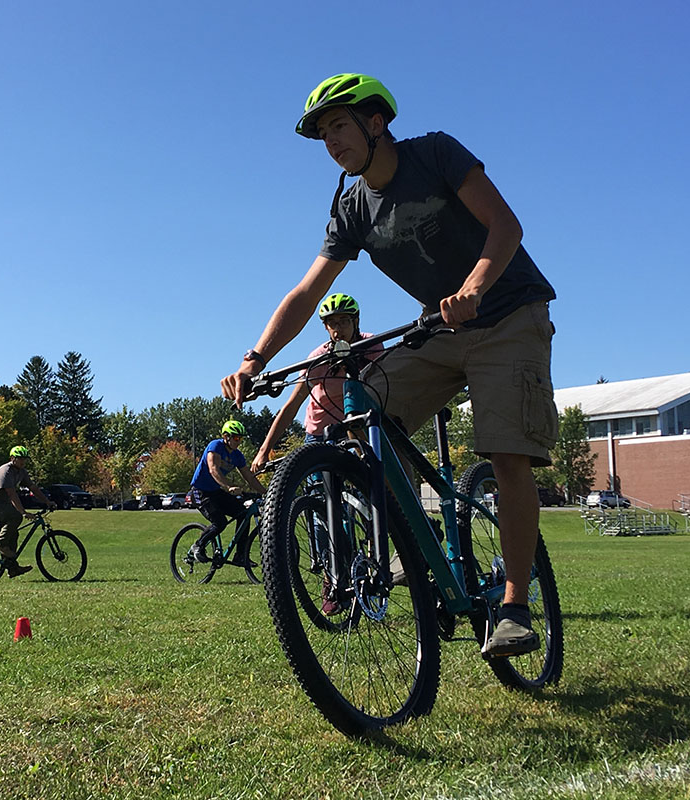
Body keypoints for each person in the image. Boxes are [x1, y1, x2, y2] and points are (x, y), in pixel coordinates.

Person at [221, 73, 558, 658]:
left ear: (375, 123)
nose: (331, 142)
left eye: (339, 126)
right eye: (323, 134)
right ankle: (414, 539)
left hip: (506, 314)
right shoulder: (351, 206)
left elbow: (506, 226)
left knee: (506, 452)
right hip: (441, 329)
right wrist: (254, 360)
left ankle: (513, 606)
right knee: (362, 411)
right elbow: (306, 293)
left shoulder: (434, 154)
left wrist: (475, 288)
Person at [250, 292, 383, 474]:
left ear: (355, 321)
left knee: (372, 475)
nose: (338, 329)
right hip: (321, 431)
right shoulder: (317, 359)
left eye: (344, 321)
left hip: (358, 424)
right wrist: (263, 451)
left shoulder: (372, 346)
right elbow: (291, 406)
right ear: (326, 327)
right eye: (332, 323)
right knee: (320, 488)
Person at [187, 420, 266, 565]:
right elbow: (213, 469)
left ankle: (240, 555)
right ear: (226, 436)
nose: (239, 442)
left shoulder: (237, 455)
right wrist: (229, 486)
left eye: (241, 439)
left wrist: (267, 492)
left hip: (215, 492)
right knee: (220, 522)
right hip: (200, 492)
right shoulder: (215, 446)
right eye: (236, 438)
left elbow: (249, 478)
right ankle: (198, 545)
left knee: (243, 514)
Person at [0, 446, 54, 581]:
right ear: (12, 458)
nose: (22, 461)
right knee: (15, 517)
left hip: (4, 504)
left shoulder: (21, 472)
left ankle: (13, 568)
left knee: (13, 534)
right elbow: (12, 493)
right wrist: (23, 512)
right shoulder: (5, 472)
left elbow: (33, 488)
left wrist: (47, 501)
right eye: (20, 458)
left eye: (24, 459)